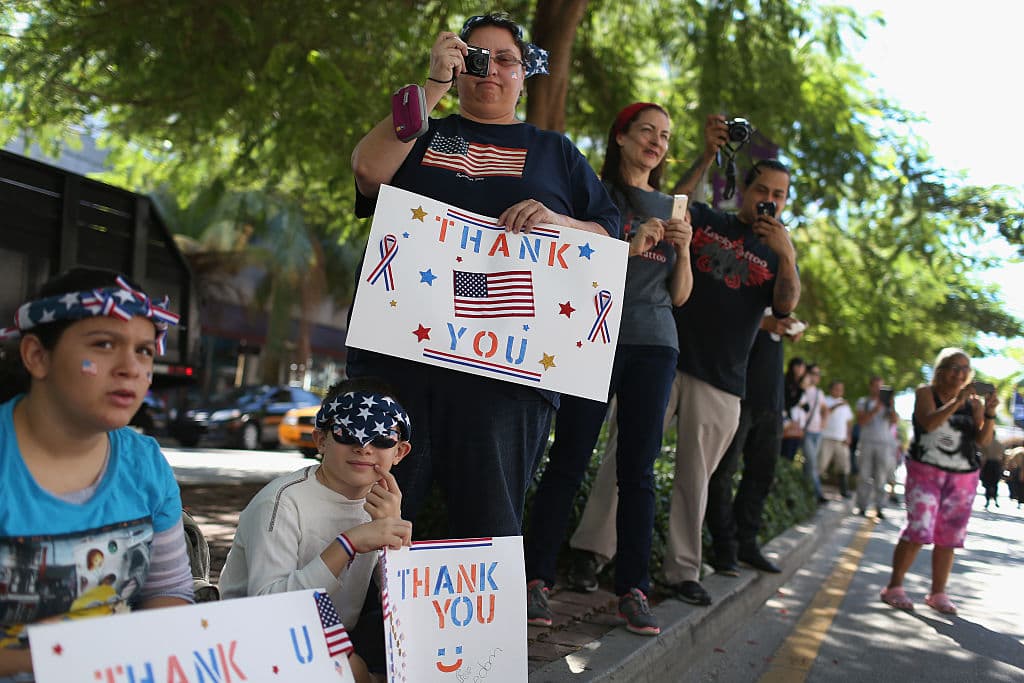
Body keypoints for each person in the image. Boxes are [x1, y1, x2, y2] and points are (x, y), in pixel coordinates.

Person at [347, 11, 620, 541]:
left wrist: (559, 222)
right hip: (399, 363)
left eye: (505, 59)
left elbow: (610, 236)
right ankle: (362, 603)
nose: (489, 69)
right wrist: (432, 86)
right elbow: (367, 171)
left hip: (509, 378)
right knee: (370, 519)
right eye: (475, 57)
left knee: (490, 527)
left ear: (525, 74)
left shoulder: (557, 152)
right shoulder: (421, 130)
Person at [567, 115, 801, 607]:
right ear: (743, 189)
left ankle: (680, 571)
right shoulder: (709, 219)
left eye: (779, 195)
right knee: (623, 458)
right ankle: (591, 553)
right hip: (664, 359)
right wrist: (706, 154)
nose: (769, 199)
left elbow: (785, 307)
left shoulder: (778, 250)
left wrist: (788, 256)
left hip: (723, 380)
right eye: (761, 189)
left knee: (696, 480)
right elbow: (672, 203)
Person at [522, 102, 692, 636]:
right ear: (620, 136)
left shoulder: (674, 207)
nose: (657, 142)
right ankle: (535, 579)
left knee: (638, 472)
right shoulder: (594, 194)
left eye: (665, 136)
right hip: (593, 338)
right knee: (568, 459)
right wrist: (628, 244)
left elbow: (680, 296)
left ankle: (633, 589)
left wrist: (684, 252)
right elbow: (572, 264)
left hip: (655, 344)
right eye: (647, 131)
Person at [0, 267, 194, 680]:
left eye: (144, 350)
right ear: (37, 356)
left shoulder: (146, 465)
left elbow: (169, 592)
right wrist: (61, 660)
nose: (130, 368)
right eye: (104, 344)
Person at [219, 378, 413, 682]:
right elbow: (270, 610)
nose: (363, 447)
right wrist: (348, 544)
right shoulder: (281, 503)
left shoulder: (382, 503)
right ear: (321, 440)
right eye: (346, 433)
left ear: (399, 452)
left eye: (382, 438)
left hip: (332, 634)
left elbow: (407, 609)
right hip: (254, 642)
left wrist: (394, 542)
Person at [880, 348, 997, 615]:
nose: (960, 374)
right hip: (926, 471)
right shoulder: (925, 393)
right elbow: (928, 424)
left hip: (963, 477)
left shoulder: (974, 404)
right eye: (955, 367)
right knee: (919, 527)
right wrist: (956, 402)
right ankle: (894, 586)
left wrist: (989, 414)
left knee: (949, 535)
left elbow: (982, 441)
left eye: (965, 369)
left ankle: (938, 593)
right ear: (941, 370)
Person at [704, 310, 805, 576]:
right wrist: (762, 322)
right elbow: (722, 316)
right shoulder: (751, 291)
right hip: (739, 393)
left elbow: (788, 319)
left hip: (772, 402)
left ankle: (746, 544)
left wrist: (791, 326)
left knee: (762, 475)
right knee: (723, 473)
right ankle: (723, 546)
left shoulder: (780, 301)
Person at [854, 376, 900, 518]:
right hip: (866, 442)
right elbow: (861, 421)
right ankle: (862, 506)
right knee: (864, 475)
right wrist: (875, 409)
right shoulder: (864, 402)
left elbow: (894, 421)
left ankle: (880, 507)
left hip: (884, 444)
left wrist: (891, 406)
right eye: (876, 386)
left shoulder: (888, 405)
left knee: (881, 477)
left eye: (881, 387)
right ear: (871, 387)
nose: (878, 390)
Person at [796, 363, 829, 503]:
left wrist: (823, 422)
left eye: (818, 374)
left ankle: (805, 494)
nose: (817, 376)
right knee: (812, 463)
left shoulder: (818, 392)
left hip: (817, 432)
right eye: (814, 373)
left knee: (809, 465)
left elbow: (825, 409)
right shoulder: (801, 390)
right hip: (806, 431)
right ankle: (818, 494)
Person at [819, 380, 854, 498]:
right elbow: (824, 413)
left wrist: (848, 436)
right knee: (821, 464)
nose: (839, 391)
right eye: (836, 389)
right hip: (826, 437)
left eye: (841, 389)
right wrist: (836, 405)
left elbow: (849, 422)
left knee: (843, 465)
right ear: (831, 389)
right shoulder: (825, 400)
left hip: (841, 439)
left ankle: (844, 490)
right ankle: (815, 489)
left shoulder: (845, 404)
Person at [780, 357, 807, 460]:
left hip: (796, 423)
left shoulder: (798, 384)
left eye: (803, 367)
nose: (801, 369)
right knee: (783, 451)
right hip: (784, 420)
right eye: (799, 366)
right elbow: (789, 402)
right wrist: (801, 390)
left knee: (790, 452)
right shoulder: (785, 381)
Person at [979, 434, 1004, 509]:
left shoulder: (986, 443)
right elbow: (1002, 455)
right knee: (995, 483)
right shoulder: (999, 443)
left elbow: (983, 456)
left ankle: (987, 500)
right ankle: (995, 499)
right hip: (997, 464)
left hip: (988, 464)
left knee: (987, 482)